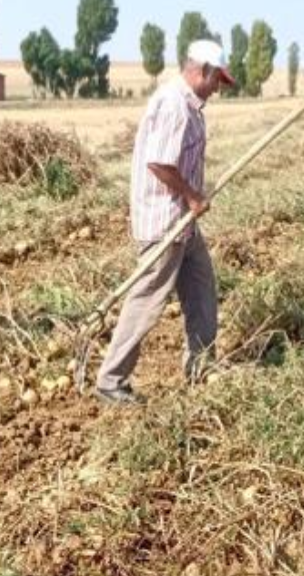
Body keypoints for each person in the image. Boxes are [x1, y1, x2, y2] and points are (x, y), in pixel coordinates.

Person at [95, 40, 235, 405]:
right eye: (217, 78)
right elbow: (159, 162)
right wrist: (192, 195)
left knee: (202, 287)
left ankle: (201, 366)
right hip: (164, 222)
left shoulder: (190, 105)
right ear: (201, 70)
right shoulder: (174, 104)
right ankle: (111, 380)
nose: (219, 87)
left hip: (184, 223)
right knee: (148, 298)